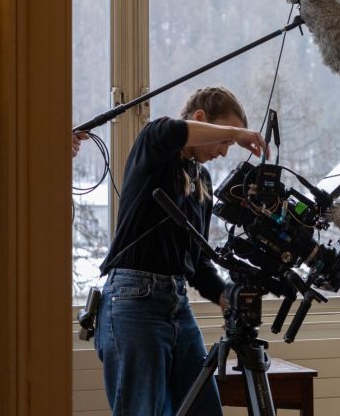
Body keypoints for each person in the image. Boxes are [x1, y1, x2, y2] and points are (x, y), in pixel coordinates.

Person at [94, 86, 267, 416]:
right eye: (223, 140)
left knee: (203, 409)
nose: (225, 150)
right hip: (134, 298)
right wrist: (238, 133)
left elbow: (197, 261)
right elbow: (174, 130)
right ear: (200, 119)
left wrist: (225, 296)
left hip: (176, 302)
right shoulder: (155, 144)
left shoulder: (201, 179)